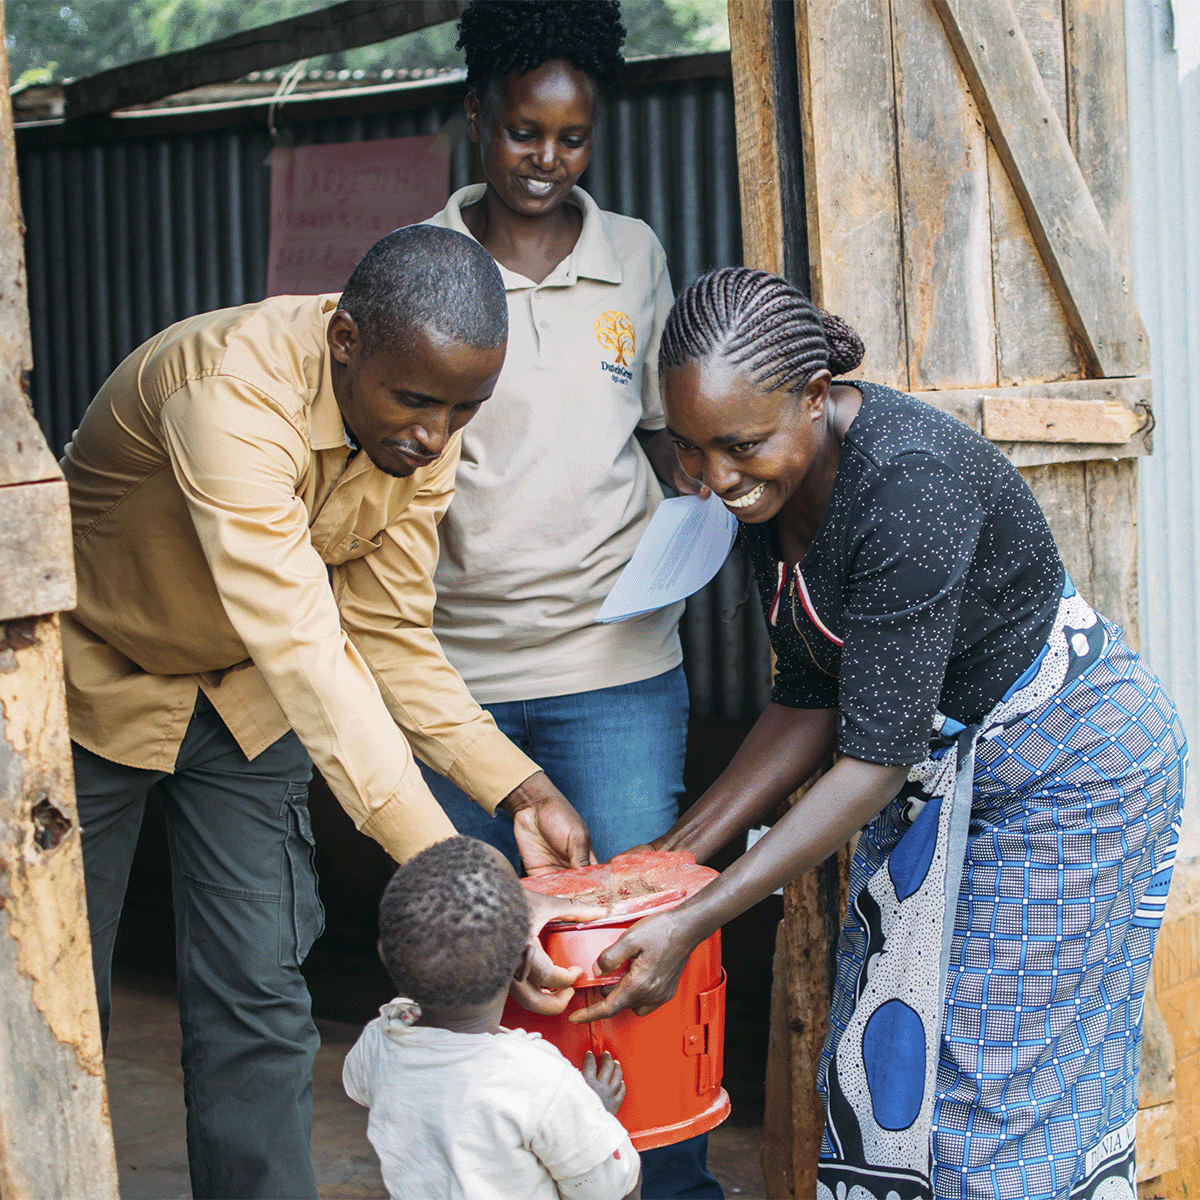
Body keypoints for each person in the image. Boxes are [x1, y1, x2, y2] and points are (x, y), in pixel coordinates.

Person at [574, 268, 1187, 1200]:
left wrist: (695, 915)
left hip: (1072, 770)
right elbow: (808, 695)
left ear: (815, 398)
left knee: (994, 1084)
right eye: (693, 452)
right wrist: (667, 863)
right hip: (946, 765)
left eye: (739, 447)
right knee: (888, 1062)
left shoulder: (909, 488)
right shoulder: (761, 489)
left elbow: (871, 760)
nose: (716, 480)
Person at [61, 225, 601, 1200]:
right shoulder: (230, 394)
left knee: (259, 999)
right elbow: (309, 648)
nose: (436, 436)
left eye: (464, 409)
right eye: (416, 401)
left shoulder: (420, 436)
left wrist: (512, 785)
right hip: (94, 684)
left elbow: (389, 634)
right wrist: (462, 879)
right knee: (53, 996)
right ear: (345, 341)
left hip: (245, 704)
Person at [422, 0, 706, 869]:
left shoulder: (634, 254)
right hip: (460, 675)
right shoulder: (421, 267)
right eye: (522, 132)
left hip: (615, 665)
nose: (548, 160)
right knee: (481, 946)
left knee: (618, 924)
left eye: (572, 137)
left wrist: (703, 492)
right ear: (476, 114)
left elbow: (658, 432)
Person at [344, 836, 642, 1200]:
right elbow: (611, 1186)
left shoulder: (378, 1044)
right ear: (522, 964)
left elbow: (358, 1085)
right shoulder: (540, 1080)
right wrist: (595, 1114)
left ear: (386, 956)